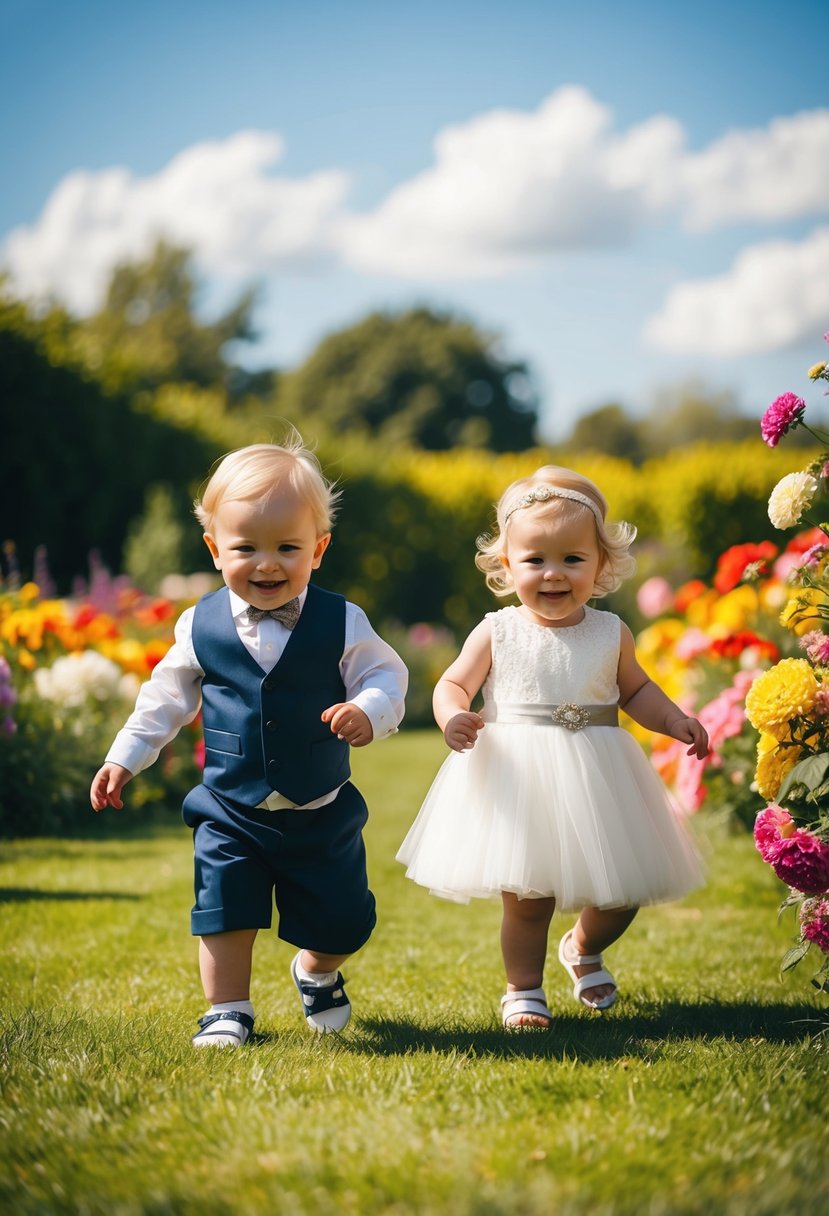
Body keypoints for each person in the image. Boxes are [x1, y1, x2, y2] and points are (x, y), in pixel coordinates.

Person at [90, 439, 408, 1047]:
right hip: (231, 807)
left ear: (318, 549)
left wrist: (369, 709)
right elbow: (165, 698)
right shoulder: (199, 624)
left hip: (318, 808)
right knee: (223, 908)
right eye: (246, 548)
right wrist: (124, 757)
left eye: (287, 548)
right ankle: (227, 1009)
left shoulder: (342, 619)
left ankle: (317, 970)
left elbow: (385, 675)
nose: (267, 564)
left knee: (344, 921)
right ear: (215, 550)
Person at [396, 465, 708, 1029]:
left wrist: (675, 720)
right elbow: (453, 684)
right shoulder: (498, 630)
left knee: (622, 889)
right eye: (535, 560)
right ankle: (523, 990)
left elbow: (635, 690)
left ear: (601, 564)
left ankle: (583, 947)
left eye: (572, 559)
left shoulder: (611, 632)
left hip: (600, 770)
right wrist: (451, 716)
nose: (553, 574)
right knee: (529, 894)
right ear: (507, 565)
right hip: (522, 777)